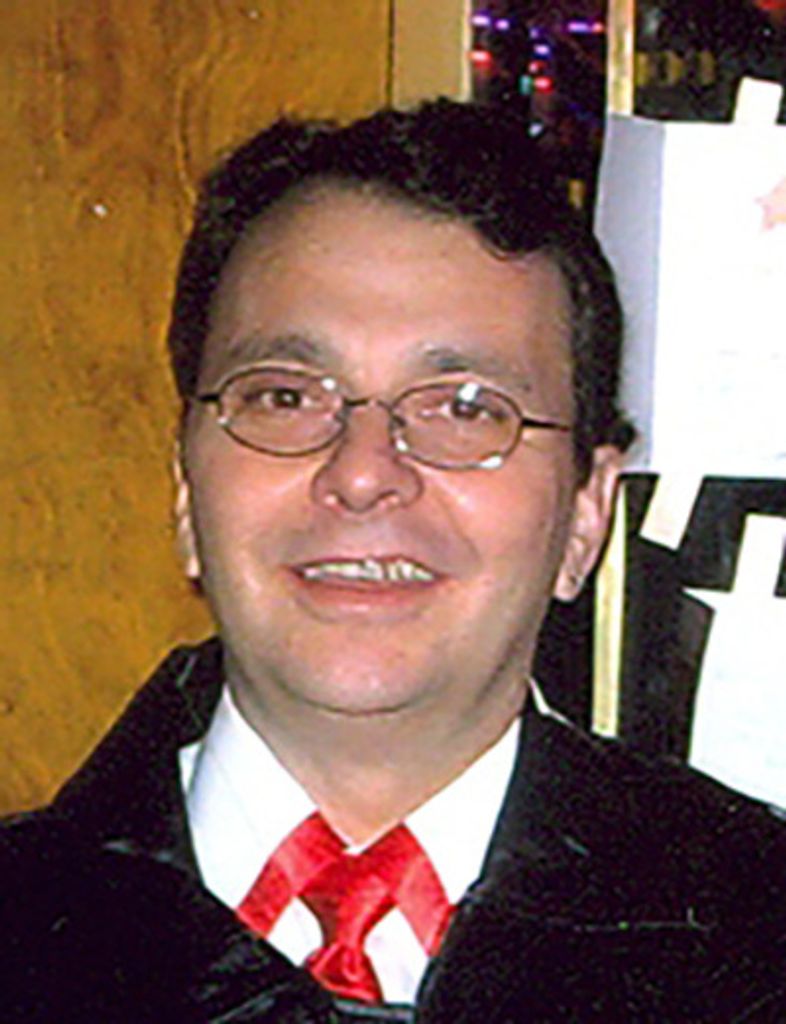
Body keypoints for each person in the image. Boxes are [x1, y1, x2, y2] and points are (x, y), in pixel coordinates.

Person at [2, 100, 785, 1023]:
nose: (364, 473)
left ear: (586, 513)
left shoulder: (757, 944)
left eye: (465, 408)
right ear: (185, 488)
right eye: (285, 396)